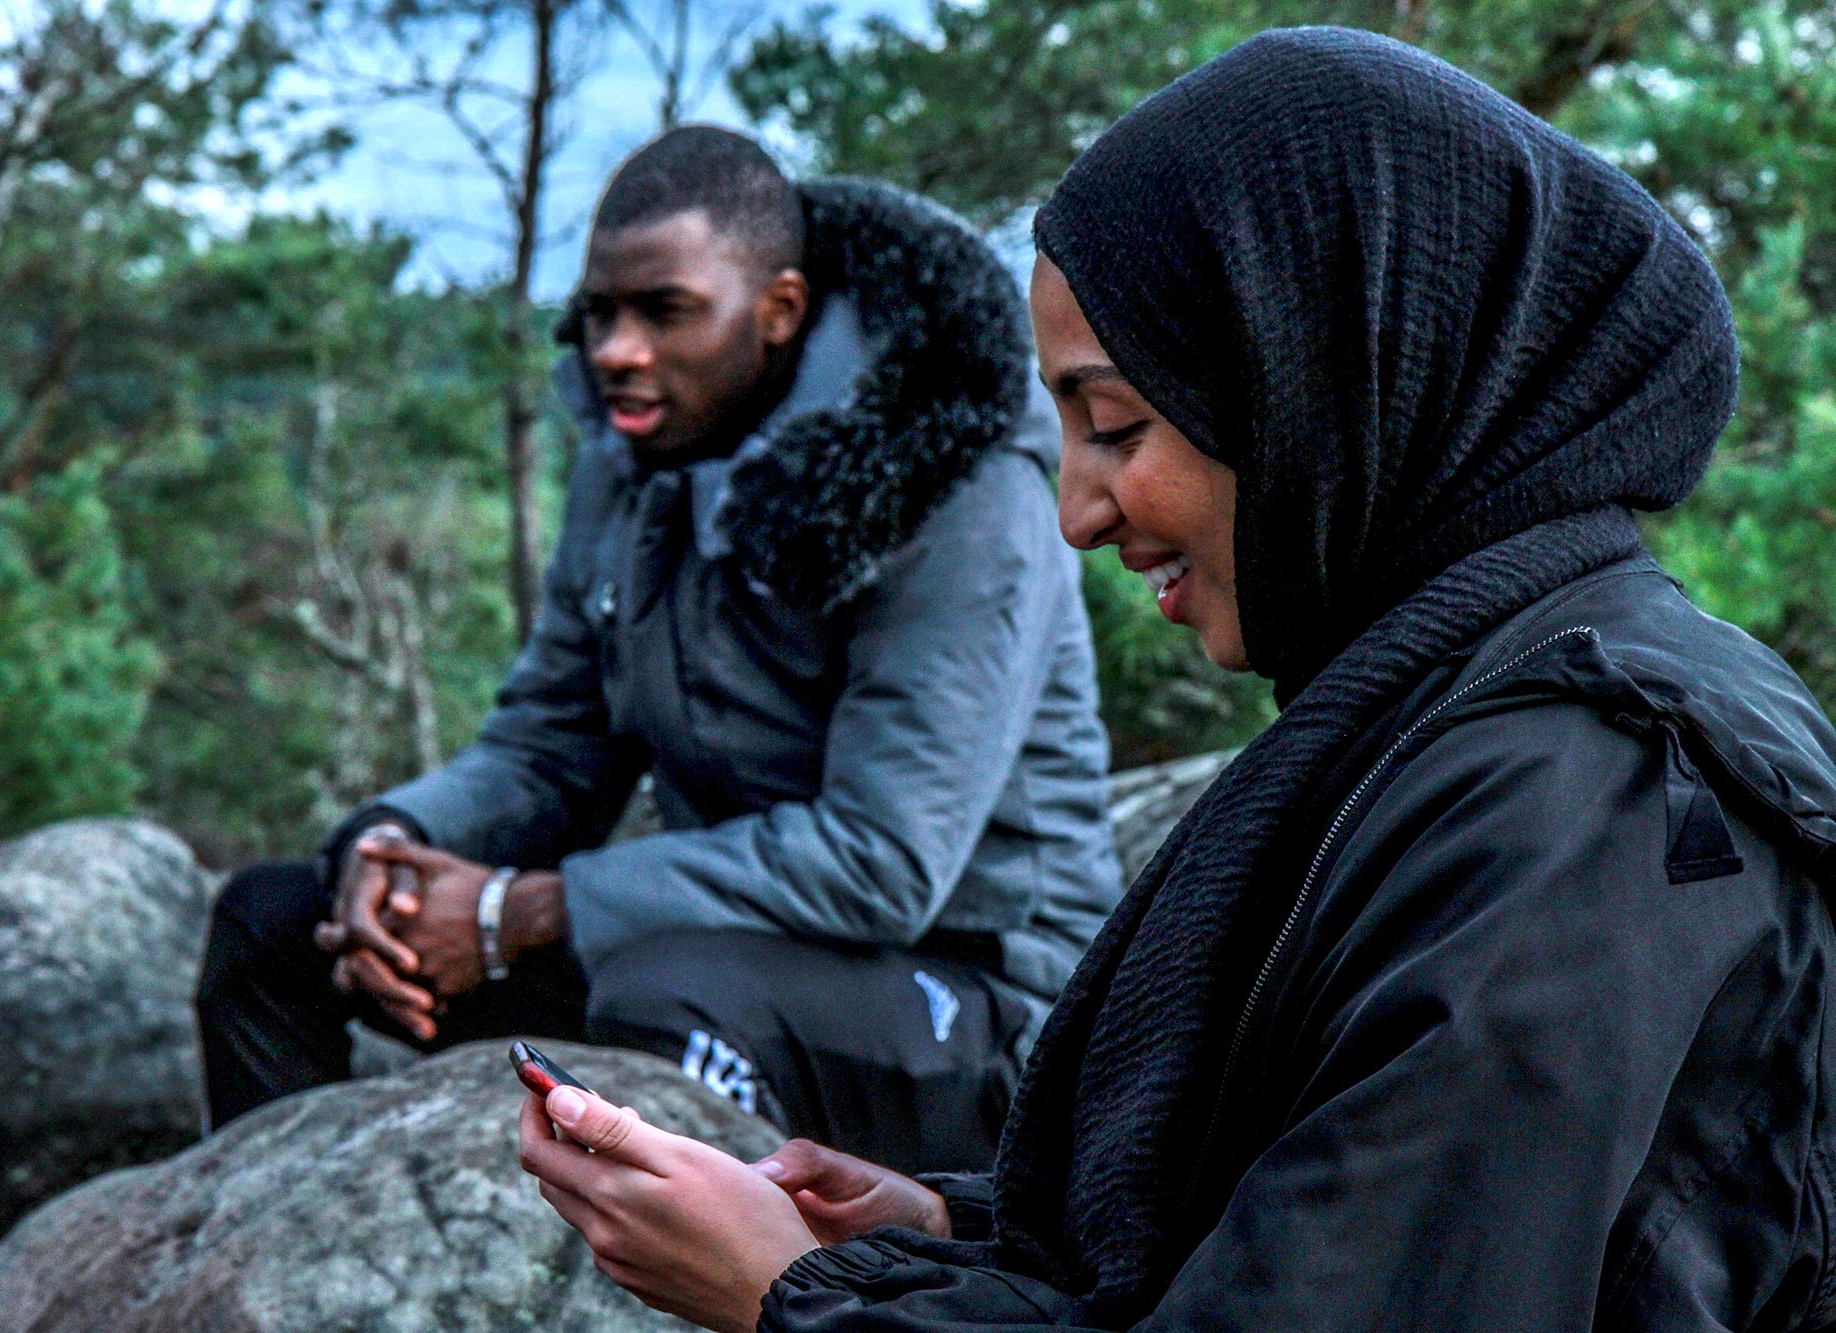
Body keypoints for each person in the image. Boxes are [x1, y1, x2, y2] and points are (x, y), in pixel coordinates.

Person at [516, 27, 1836, 1332]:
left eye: (1117, 425)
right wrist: (943, 1227)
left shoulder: (1587, 803)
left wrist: (791, 1298)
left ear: (1321, 380)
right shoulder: (1451, 716)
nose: (1080, 512)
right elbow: (1311, 1209)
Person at [193, 126, 1122, 1175]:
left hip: (977, 1003)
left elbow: (881, 862)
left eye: (664, 312)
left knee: (662, 1009)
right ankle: (273, 1255)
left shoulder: (950, 481)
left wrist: (514, 914)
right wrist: (388, 855)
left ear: (777, 310)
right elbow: (549, 746)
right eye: (596, 313)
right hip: (717, 944)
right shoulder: (634, 453)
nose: (614, 351)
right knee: (279, 924)